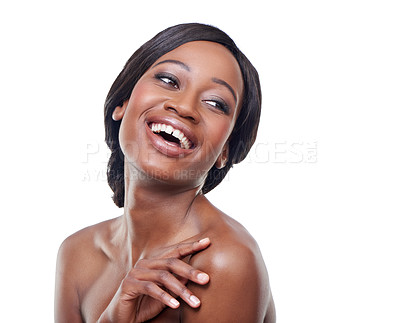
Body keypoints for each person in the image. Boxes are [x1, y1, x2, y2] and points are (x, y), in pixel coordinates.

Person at [55, 23, 276, 323]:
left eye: (216, 103)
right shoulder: (77, 253)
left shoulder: (224, 263)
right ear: (123, 101)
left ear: (225, 150)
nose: (185, 107)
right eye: (169, 80)